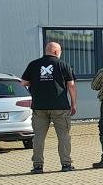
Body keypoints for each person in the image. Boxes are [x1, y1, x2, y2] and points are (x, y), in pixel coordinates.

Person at [20, 41, 77, 173]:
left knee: (38, 137)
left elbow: (23, 83)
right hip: (60, 107)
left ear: (46, 51)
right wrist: (73, 104)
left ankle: (38, 166)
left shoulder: (33, 64)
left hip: (39, 107)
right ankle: (66, 165)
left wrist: (36, 83)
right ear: (57, 52)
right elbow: (71, 86)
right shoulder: (63, 65)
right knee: (63, 136)